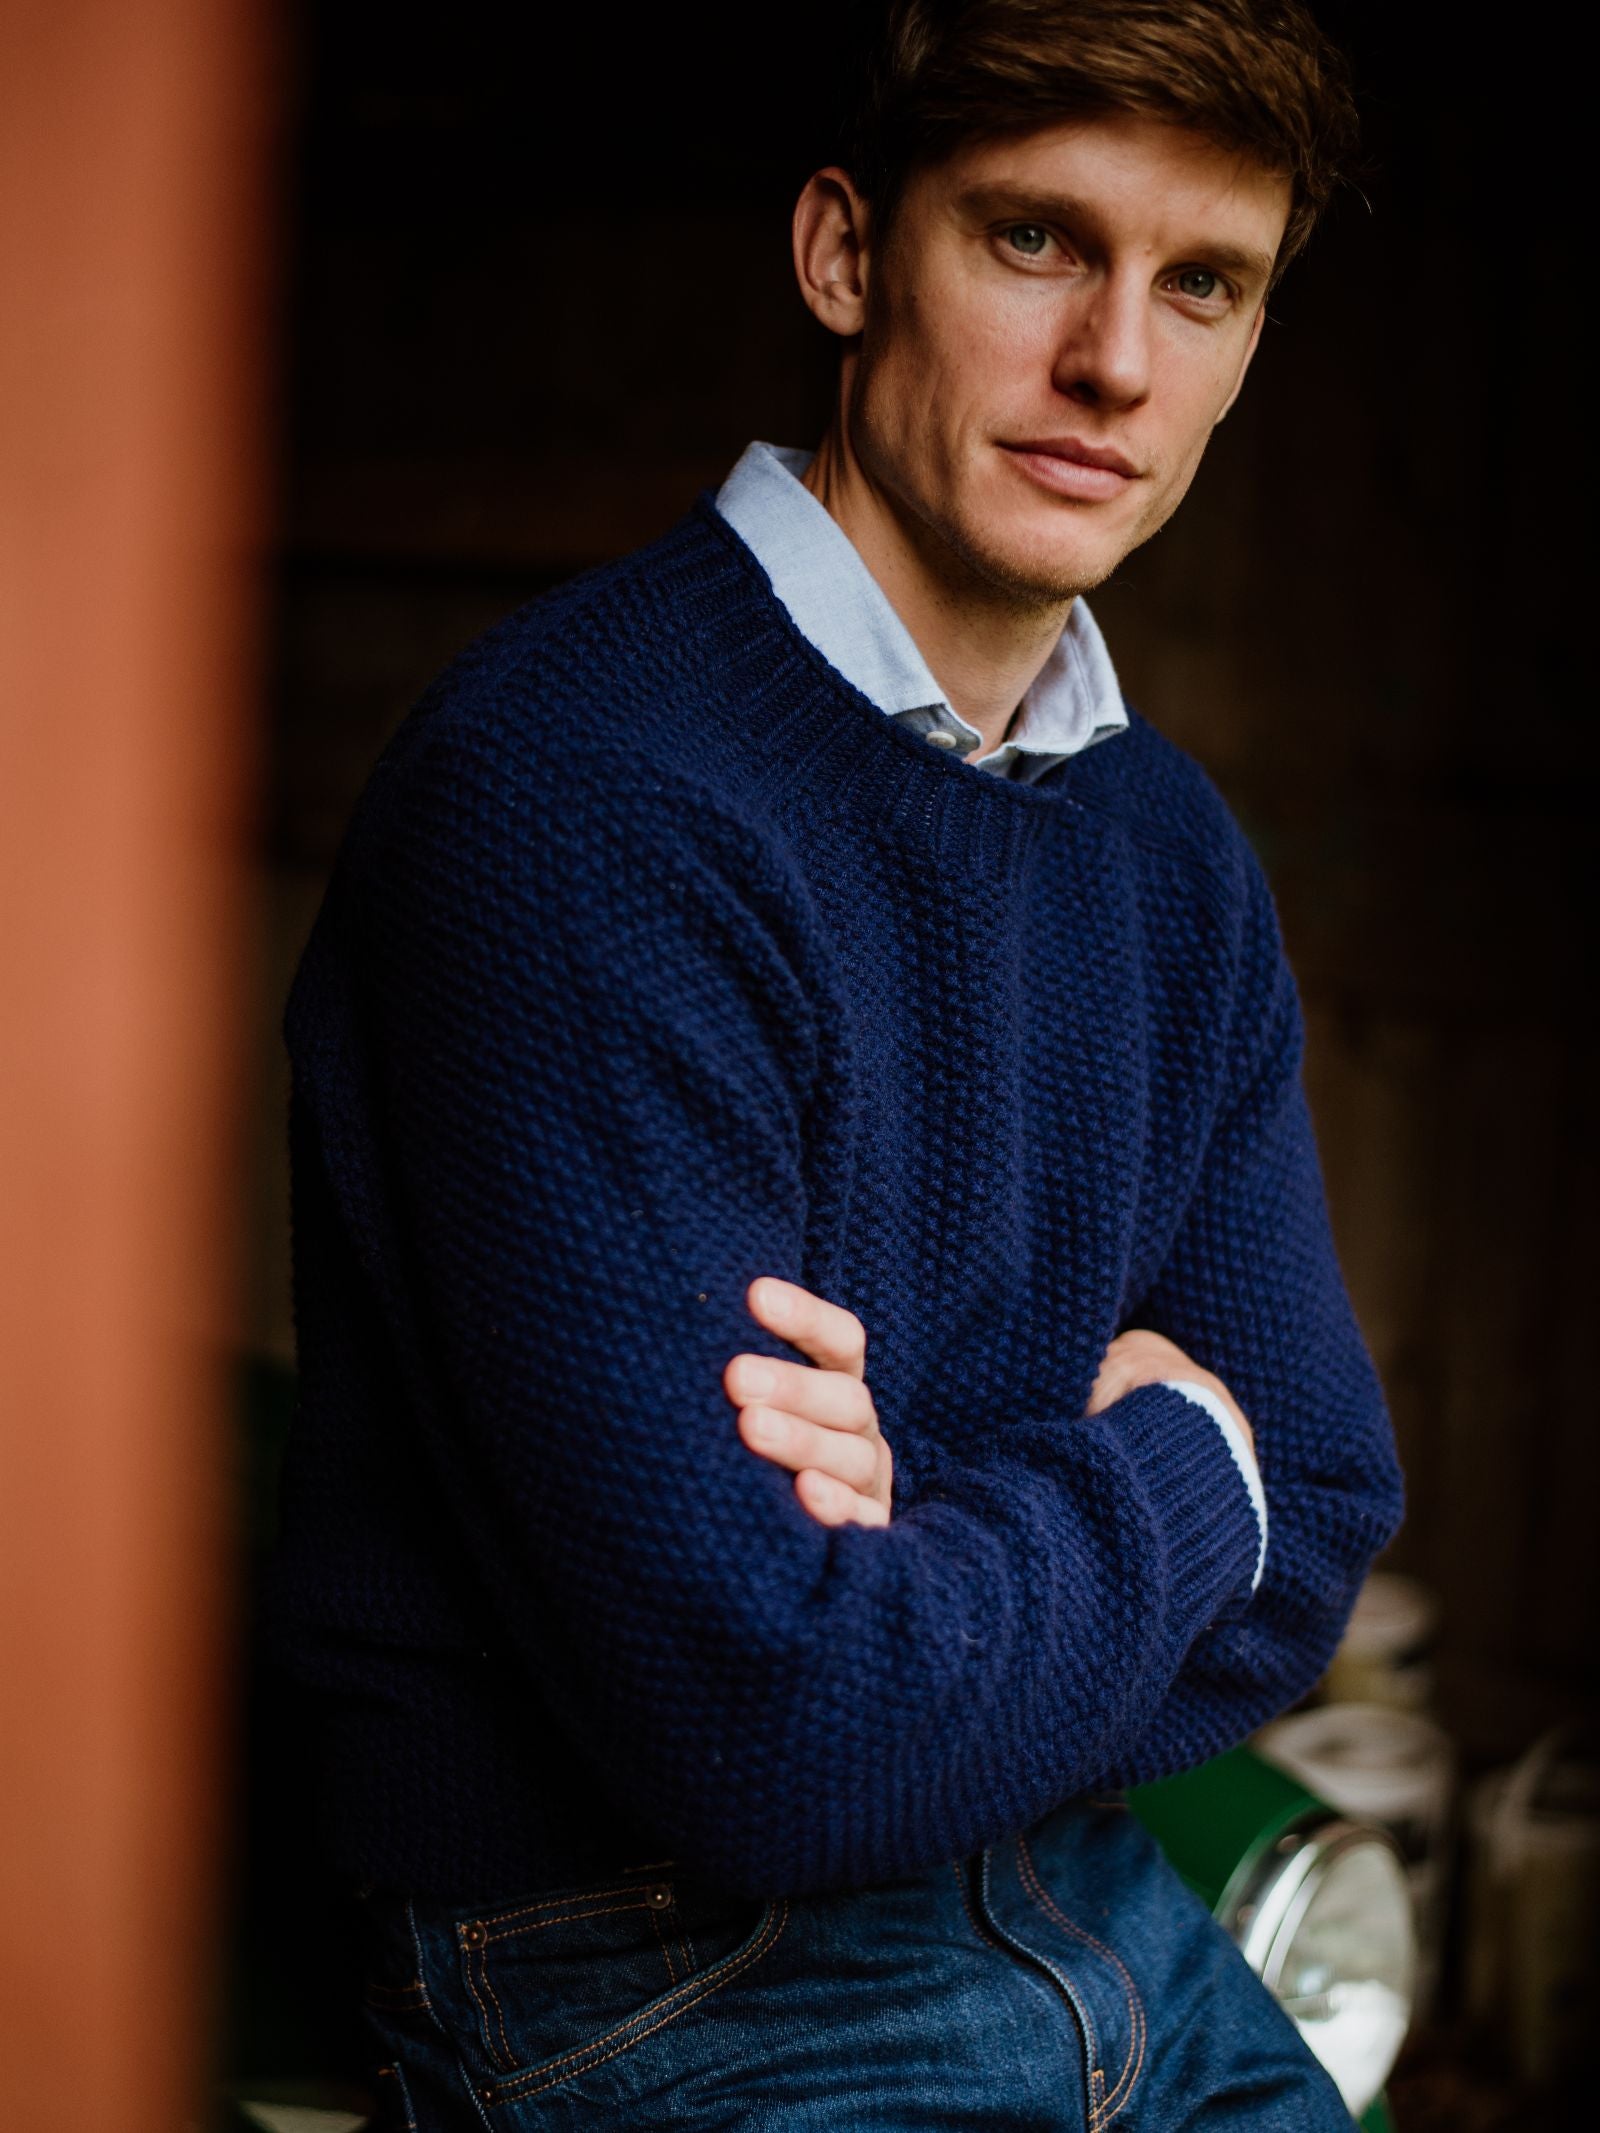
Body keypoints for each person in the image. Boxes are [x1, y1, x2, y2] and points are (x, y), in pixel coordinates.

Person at [266, 1, 1404, 2123]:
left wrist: (920, 1523)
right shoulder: (580, 796)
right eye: (1036, 240)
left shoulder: (1169, 856)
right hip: (627, 1967)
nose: (1116, 364)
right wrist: (1183, 1454)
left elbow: (1325, 1502)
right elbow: (772, 1729)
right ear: (844, 253)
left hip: (1078, 1897)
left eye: (1201, 283)